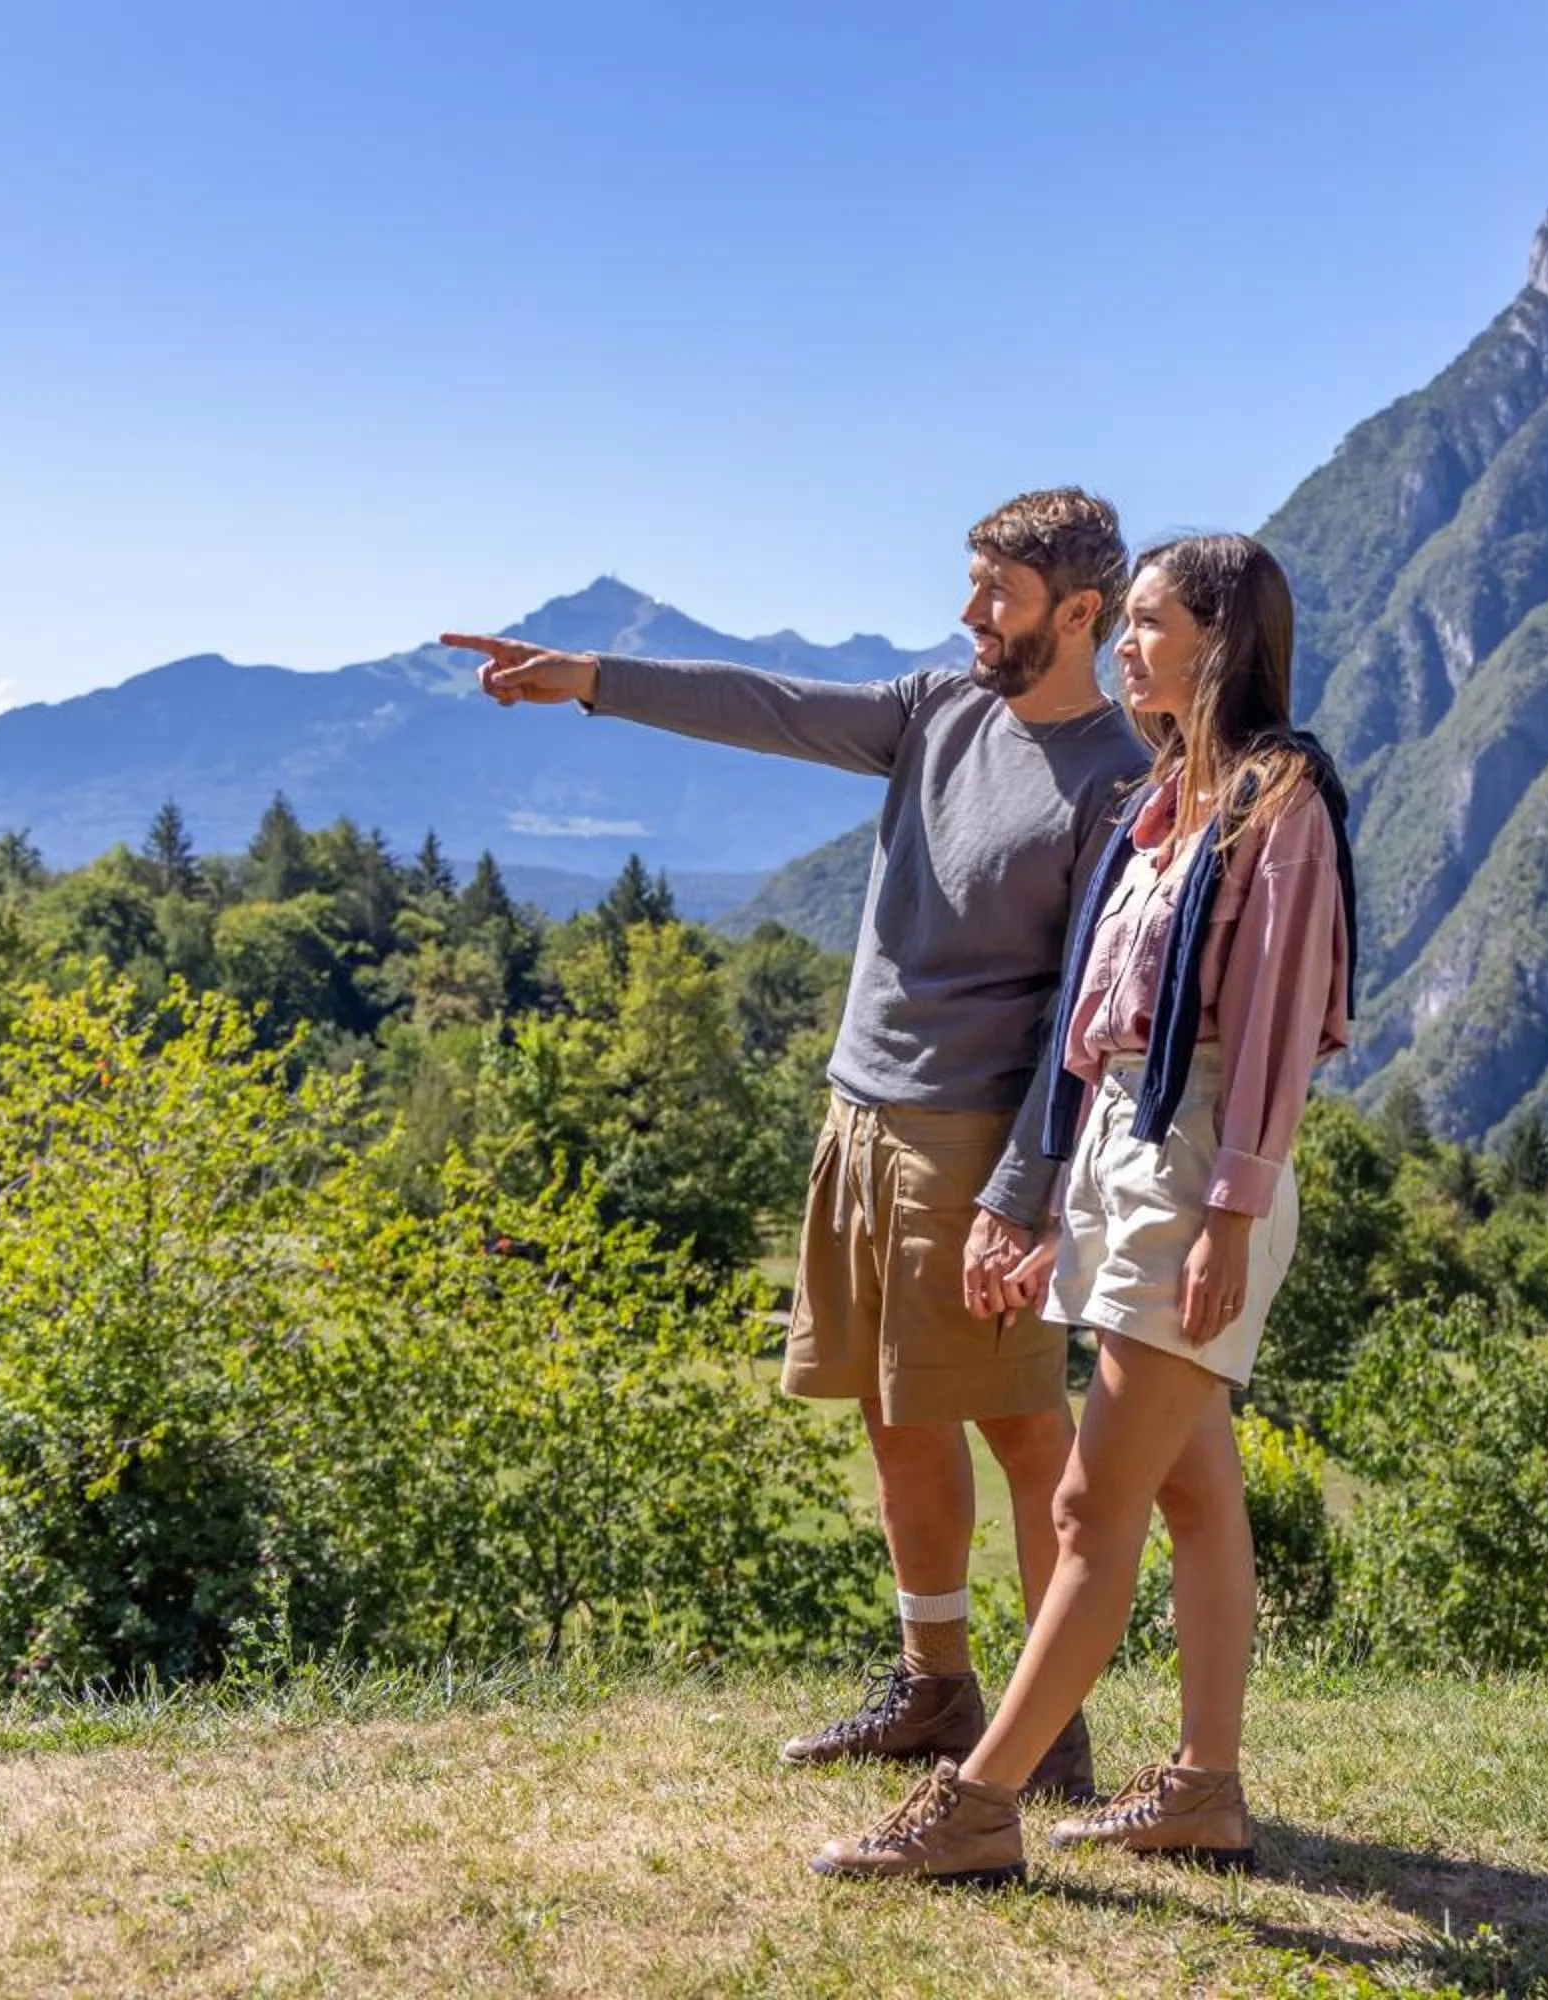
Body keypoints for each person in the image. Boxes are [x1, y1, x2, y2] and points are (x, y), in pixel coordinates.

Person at [443, 491, 1145, 1799]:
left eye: (996, 591)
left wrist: (1025, 1190)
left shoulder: (1114, 780)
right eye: (973, 583)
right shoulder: (938, 711)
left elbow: (1077, 1018)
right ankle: (937, 1686)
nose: (969, 612)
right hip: (860, 1114)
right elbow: (770, 705)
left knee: (1023, 1429)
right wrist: (591, 679)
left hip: (972, 1140)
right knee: (890, 1415)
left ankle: (1051, 1726)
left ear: (1079, 613)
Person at [813, 531, 1354, 1886]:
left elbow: (1280, 1031)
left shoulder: (1277, 803)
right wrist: (1042, 1200)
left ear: (1219, 640)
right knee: (1193, 1488)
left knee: (1086, 1507)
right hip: (1130, 1149)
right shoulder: (1166, 797)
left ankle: (982, 1799)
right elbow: (1090, 1024)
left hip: (1197, 1167)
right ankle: (1203, 1792)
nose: (1129, 644)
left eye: (1154, 624)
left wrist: (1233, 1213)